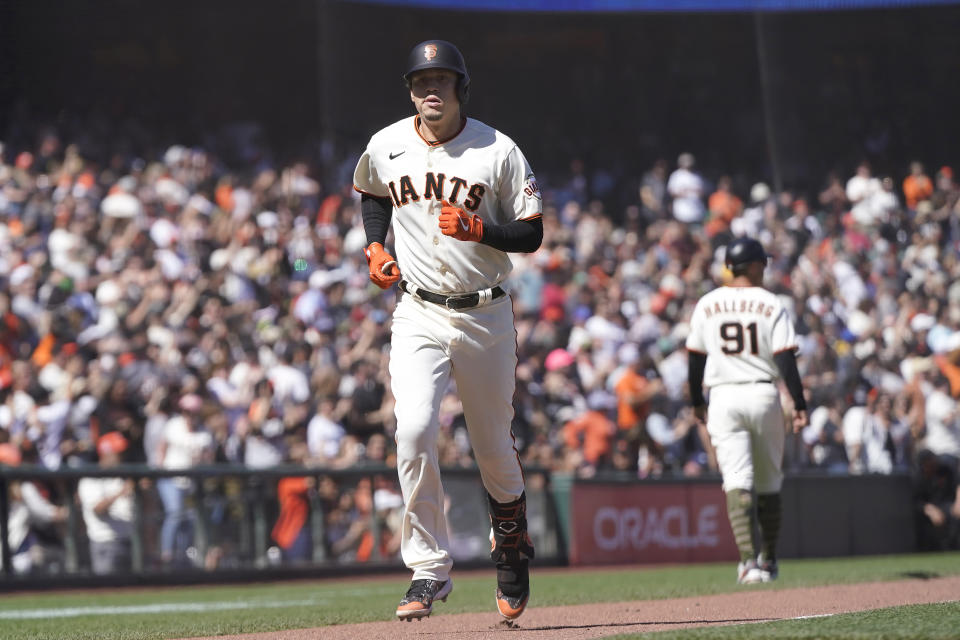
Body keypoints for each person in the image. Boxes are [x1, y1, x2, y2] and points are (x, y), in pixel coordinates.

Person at [353, 39, 542, 621]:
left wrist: (481, 229)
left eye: (441, 79)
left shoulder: (497, 148)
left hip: (485, 313)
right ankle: (427, 570)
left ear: (462, 87)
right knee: (411, 430)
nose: (429, 90)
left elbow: (532, 233)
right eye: (419, 81)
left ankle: (510, 546)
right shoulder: (386, 144)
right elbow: (371, 191)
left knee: (493, 451)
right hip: (418, 311)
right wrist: (376, 246)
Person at [685, 237, 808, 584]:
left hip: (723, 396)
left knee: (737, 480)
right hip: (763, 394)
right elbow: (785, 357)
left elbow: (695, 358)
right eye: (762, 263)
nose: (765, 268)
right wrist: (799, 403)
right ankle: (769, 560)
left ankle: (747, 563)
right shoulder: (770, 302)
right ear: (753, 265)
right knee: (769, 481)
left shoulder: (708, 303)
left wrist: (697, 401)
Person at [77, 432, 135, 574]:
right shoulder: (90, 480)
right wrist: (120, 493)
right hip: (105, 542)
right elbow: (97, 509)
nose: (122, 458)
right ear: (106, 454)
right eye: (118, 453)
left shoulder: (122, 477)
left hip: (129, 540)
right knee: (108, 591)